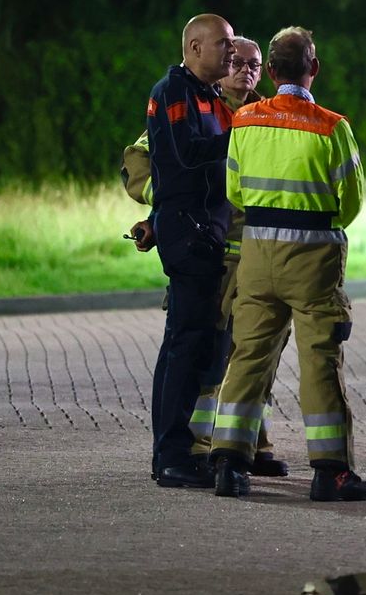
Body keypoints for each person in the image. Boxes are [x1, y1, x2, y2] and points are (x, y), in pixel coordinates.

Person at [209, 27, 366, 501]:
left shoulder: (244, 121)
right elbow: (351, 203)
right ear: (313, 69)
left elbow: (234, 192)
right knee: (320, 360)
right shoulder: (331, 127)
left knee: (246, 358)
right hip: (314, 261)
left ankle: (228, 464)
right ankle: (330, 472)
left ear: (273, 71)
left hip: (257, 257)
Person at [123, 38, 289, 477]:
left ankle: (249, 443)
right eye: (236, 61)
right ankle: (196, 447)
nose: (244, 71)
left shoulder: (266, 116)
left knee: (256, 349)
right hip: (207, 243)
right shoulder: (194, 104)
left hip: (255, 248)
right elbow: (146, 162)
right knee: (206, 350)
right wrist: (172, 212)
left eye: (253, 65)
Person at [145, 13, 236, 488]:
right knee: (184, 343)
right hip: (187, 231)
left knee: (194, 341)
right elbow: (183, 153)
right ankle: (170, 456)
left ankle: (177, 451)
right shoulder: (174, 92)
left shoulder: (210, 96)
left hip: (204, 230)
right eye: (223, 43)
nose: (232, 51)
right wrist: (242, 137)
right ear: (195, 47)